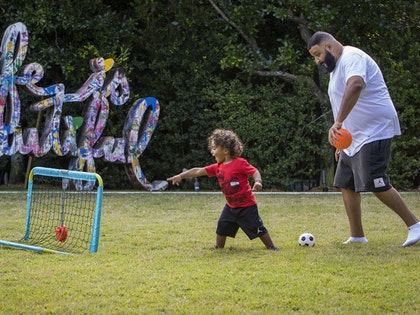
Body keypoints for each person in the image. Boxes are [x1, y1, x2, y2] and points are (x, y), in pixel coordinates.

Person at [307, 31, 420, 246]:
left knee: (374, 179)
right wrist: (341, 140)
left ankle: (415, 225)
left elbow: (356, 85)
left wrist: (338, 122)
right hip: (354, 136)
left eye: (318, 54)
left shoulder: (352, 57)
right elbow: (343, 102)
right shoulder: (336, 70)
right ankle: (357, 236)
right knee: (346, 183)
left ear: (329, 47)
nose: (317, 60)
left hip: (375, 130)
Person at [167, 129, 279, 251]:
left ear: (225, 150)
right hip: (231, 207)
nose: (212, 152)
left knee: (258, 228)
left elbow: (254, 171)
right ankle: (218, 248)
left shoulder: (240, 163)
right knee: (222, 227)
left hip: (247, 206)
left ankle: (271, 247)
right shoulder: (217, 167)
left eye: (215, 149)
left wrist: (258, 182)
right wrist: (181, 176)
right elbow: (198, 171)